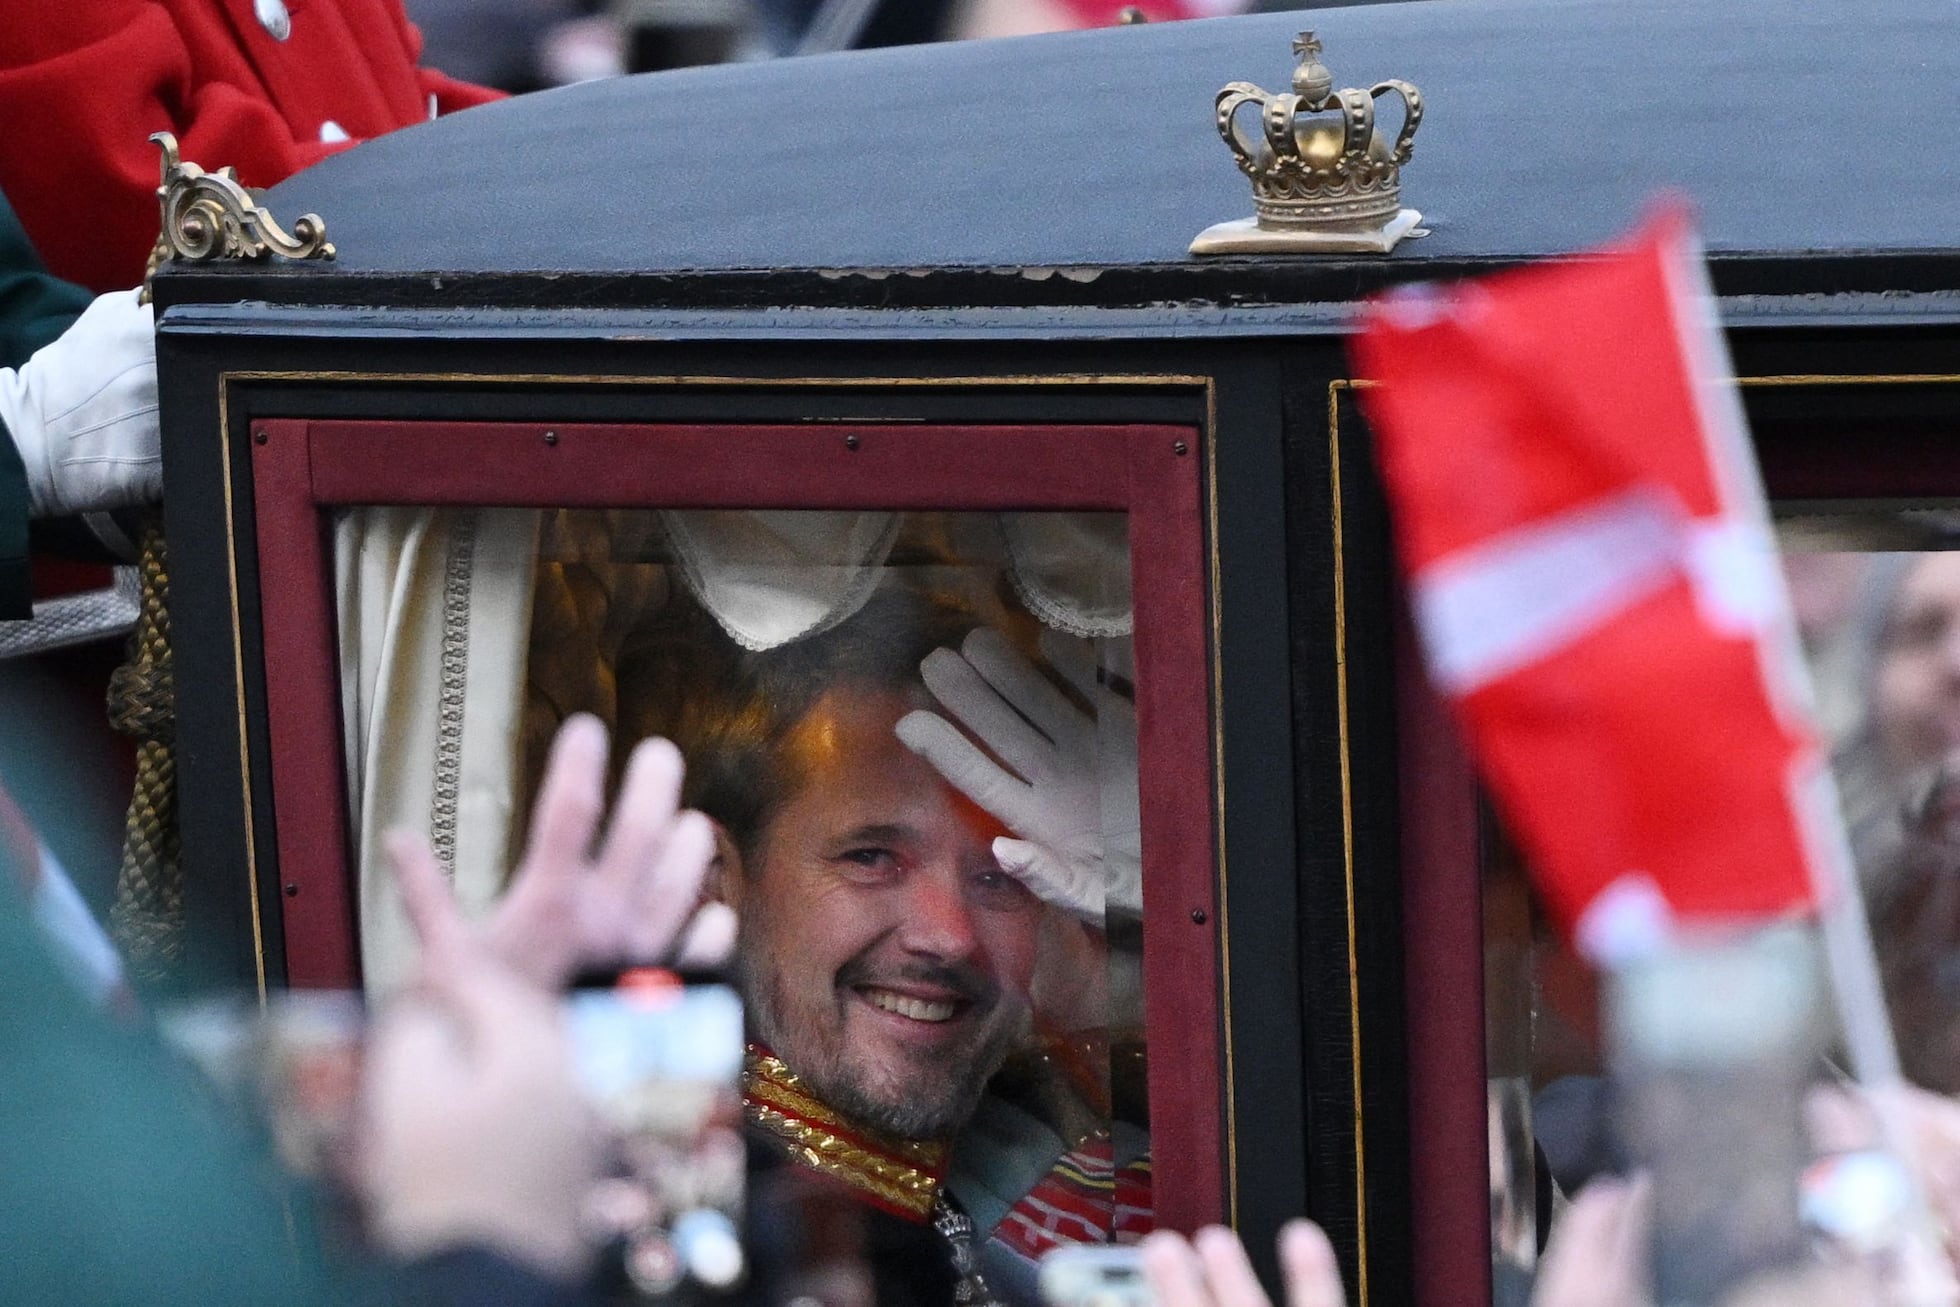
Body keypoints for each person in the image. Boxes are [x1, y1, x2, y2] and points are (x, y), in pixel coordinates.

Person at [663, 582, 1145, 1305]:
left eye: (1001, 874)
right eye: (871, 857)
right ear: (716, 880)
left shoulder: (1105, 1203)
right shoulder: (624, 1221)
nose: (948, 935)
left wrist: (1171, 918)